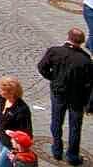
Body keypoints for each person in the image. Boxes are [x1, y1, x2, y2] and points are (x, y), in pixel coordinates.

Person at [37, 28, 93, 165]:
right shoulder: (85, 60)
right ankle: (72, 156)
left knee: (56, 121)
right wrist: (90, 105)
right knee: (75, 127)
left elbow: (42, 67)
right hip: (77, 98)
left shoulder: (55, 51)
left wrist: (53, 78)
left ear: (68, 37)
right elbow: (91, 84)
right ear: (81, 42)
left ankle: (57, 150)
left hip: (58, 93)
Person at [0, 76, 32, 167]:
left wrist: (17, 148)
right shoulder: (2, 99)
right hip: (1, 137)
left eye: (2, 89)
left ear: (10, 92)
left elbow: (27, 132)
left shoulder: (22, 109)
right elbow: (2, 117)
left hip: (12, 145)